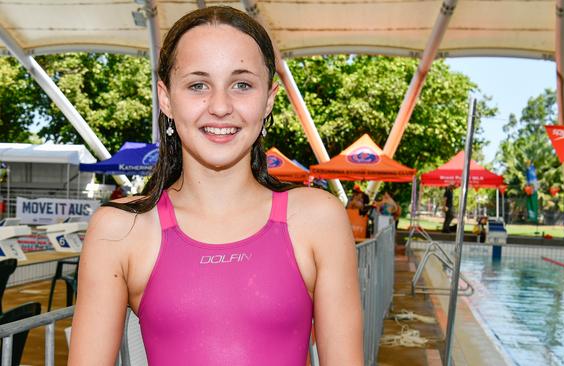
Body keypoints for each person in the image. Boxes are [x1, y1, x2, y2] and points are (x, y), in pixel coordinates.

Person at [68, 6, 362, 365]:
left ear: (268, 99)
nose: (220, 106)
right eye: (197, 85)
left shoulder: (318, 219)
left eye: (241, 84)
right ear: (166, 98)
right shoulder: (121, 229)